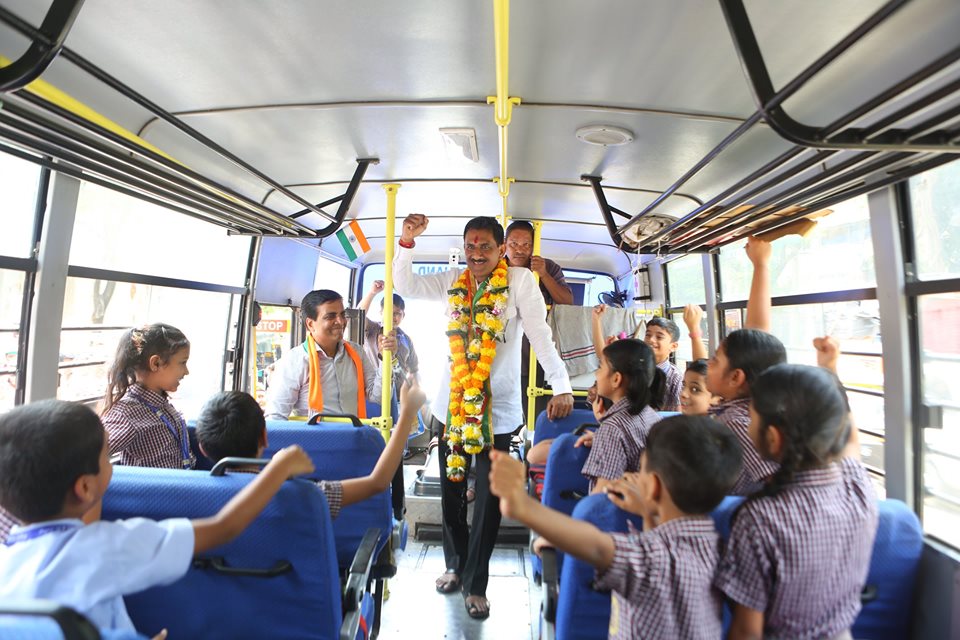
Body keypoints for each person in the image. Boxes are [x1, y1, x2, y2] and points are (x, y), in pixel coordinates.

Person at [0, 398, 314, 637]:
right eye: (107, 456)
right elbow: (224, 527)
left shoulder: (8, 559)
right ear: (84, 486)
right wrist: (279, 468)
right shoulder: (107, 546)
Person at [394, 213, 574, 620]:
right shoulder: (451, 281)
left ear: (501, 250)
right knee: (453, 492)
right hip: (453, 405)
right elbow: (404, 285)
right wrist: (407, 241)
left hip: (499, 408)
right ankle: (455, 566)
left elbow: (539, 335)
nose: (477, 254)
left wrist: (561, 383)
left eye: (486, 247)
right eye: (471, 246)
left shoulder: (520, 282)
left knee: (490, 498)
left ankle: (478, 583)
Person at [489, 415, 744, 639]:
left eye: (640, 470)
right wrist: (650, 510)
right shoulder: (726, 543)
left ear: (654, 486)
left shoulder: (653, 559)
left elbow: (600, 548)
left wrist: (523, 505)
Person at [716, 354, 879, 640]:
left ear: (774, 438)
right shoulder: (858, 486)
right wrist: (830, 369)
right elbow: (850, 438)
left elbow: (746, 631)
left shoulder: (760, 518)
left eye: (752, 417)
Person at [195, 379, 427, 519]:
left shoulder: (190, 496)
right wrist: (406, 413)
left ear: (203, 448)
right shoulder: (306, 494)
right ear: (265, 438)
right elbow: (377, 482)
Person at [264, 289, 395, 421]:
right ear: (310, 324)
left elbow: (378, 397)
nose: (340, 321)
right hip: (314, 440)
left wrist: (385, 358)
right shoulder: (295, 360)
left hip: (352, 437)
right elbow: (275, 417)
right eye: (330, 316)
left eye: (342, 315)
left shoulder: (356, 352)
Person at [100, 323, 195, 470]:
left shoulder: (160, 404)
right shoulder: (127, 413)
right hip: (156, 492)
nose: (186, 371)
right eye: (182, 363)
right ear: (156, 363)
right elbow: (90, 454)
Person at [576, 338, 665, 493]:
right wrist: (601, 440)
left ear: (616, 379)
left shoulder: (612, 429)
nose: (596, 374)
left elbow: (601, 498)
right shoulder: (650, 415)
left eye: (600, 367)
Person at [358, 280, 420, 393]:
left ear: (403, 315)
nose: (392, 317)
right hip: (373, 393)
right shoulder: (371, 329)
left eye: (397, 313)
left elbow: (414, 369)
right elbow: (356, 318)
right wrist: (372, 293)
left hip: (398, 396)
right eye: (388, 312)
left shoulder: (406, 340)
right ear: (381, 312)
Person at [504, 220, 573, 306]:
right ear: (504, 244)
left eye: (526, 244)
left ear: (533, 246)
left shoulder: (548, 266)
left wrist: (544, 275)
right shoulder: (494, 267)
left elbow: (567, 302)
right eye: (514, 244)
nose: (519, 250)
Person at [642, 317, 683, 411]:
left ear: (673, 346)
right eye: (648, 335)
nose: (651, 340)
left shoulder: (676, 378)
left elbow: (677, 413)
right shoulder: (636, 367)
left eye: (659, 337)